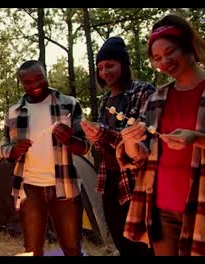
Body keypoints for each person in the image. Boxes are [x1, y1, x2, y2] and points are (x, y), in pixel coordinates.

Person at [117, 14, 205, 256]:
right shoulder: (157, 98)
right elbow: (142, 157)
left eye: (170, 52)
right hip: (161, 209)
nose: (164, 61)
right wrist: (131, 143)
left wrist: (196, 138)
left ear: (187, 46)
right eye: (157, 58)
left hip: (200, 210)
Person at [0, 60, 90, 256]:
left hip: (65, 186)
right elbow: (4, 148)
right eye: (28, 81)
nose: (34, 84)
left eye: (39, 78)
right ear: (21, 83)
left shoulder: (69, 104)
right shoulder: (14, 112)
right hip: (29, 188)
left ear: (45, 73)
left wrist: (69, 139)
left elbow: (84, 147)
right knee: (31, 250)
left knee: (72, 248)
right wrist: (14, 150)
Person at [79, 36, 155, 256]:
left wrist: (103, 132)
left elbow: (145, 138)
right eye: (100, 68)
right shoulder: (105, 100)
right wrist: (96, 139)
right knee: (121, 241)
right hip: (109, 180)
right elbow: (105, 147)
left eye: (110, 65)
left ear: (124, 64)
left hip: (136, 182)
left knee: (142, 244)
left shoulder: (143, 92)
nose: (105, 72)